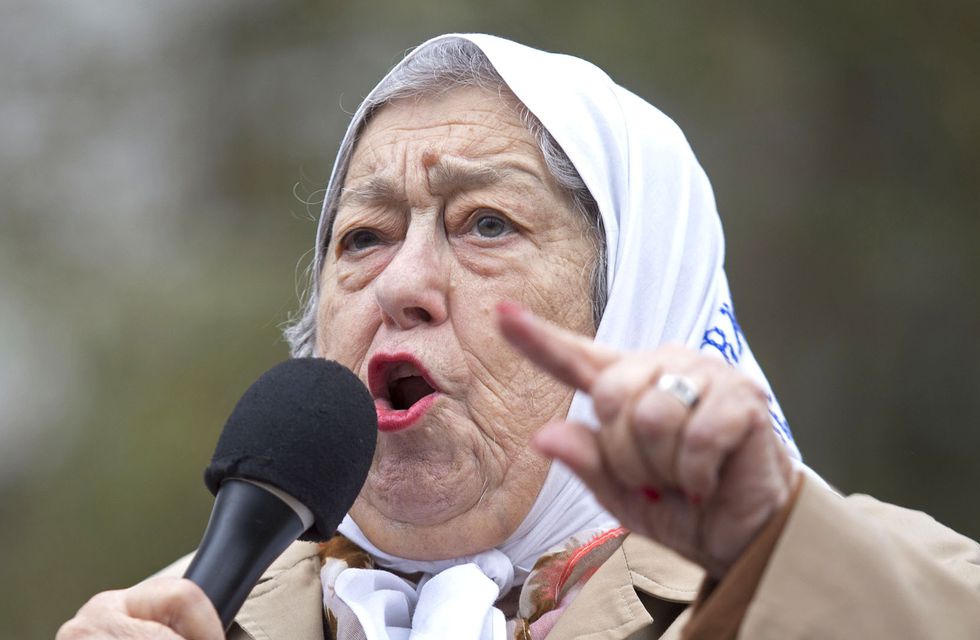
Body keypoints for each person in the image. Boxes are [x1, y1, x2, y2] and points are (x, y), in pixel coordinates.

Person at [58, 34, 980, 640]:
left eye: (487, 224)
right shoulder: (174, 616)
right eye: (364, 237)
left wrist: (770, 558)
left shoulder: (868, 583)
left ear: (636, 307)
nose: (402, 285)